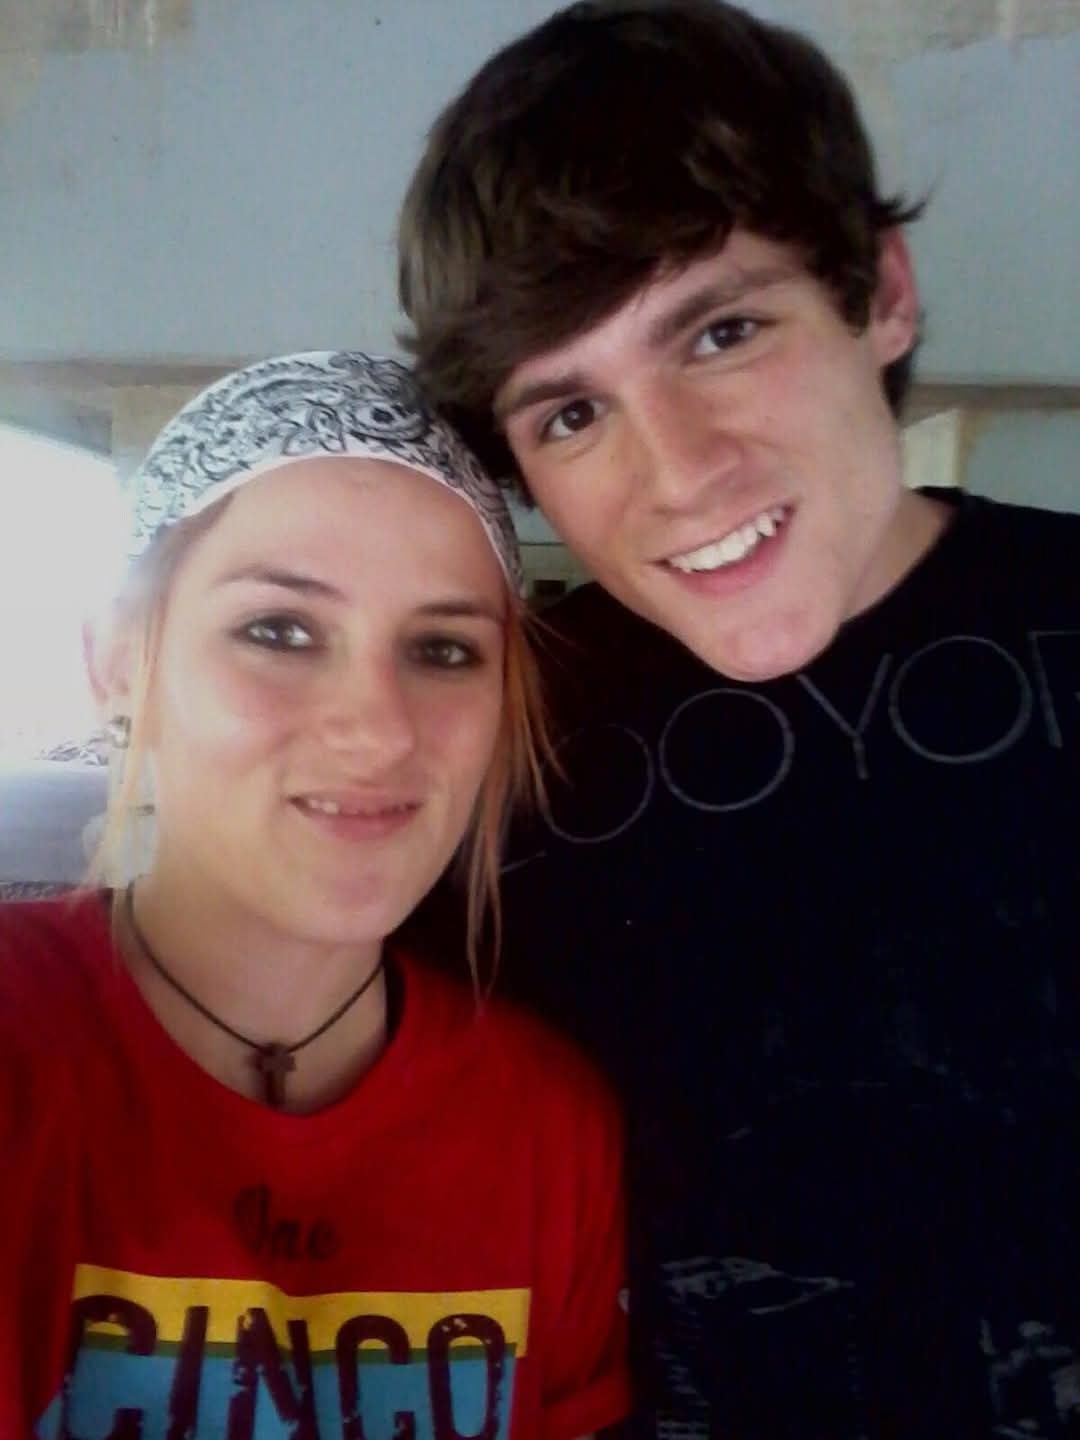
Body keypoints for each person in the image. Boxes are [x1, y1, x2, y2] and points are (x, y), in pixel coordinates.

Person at [397, 3, 1080, 1435]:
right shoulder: (485, 732)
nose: (678, 473)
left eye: (721, 331)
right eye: (569, 413)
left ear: (880, 294)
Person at [0, 351, 630, 1439]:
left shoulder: (551, 1129)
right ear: (118, 665)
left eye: (443, 649)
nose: (378, 730)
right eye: (279, 631)